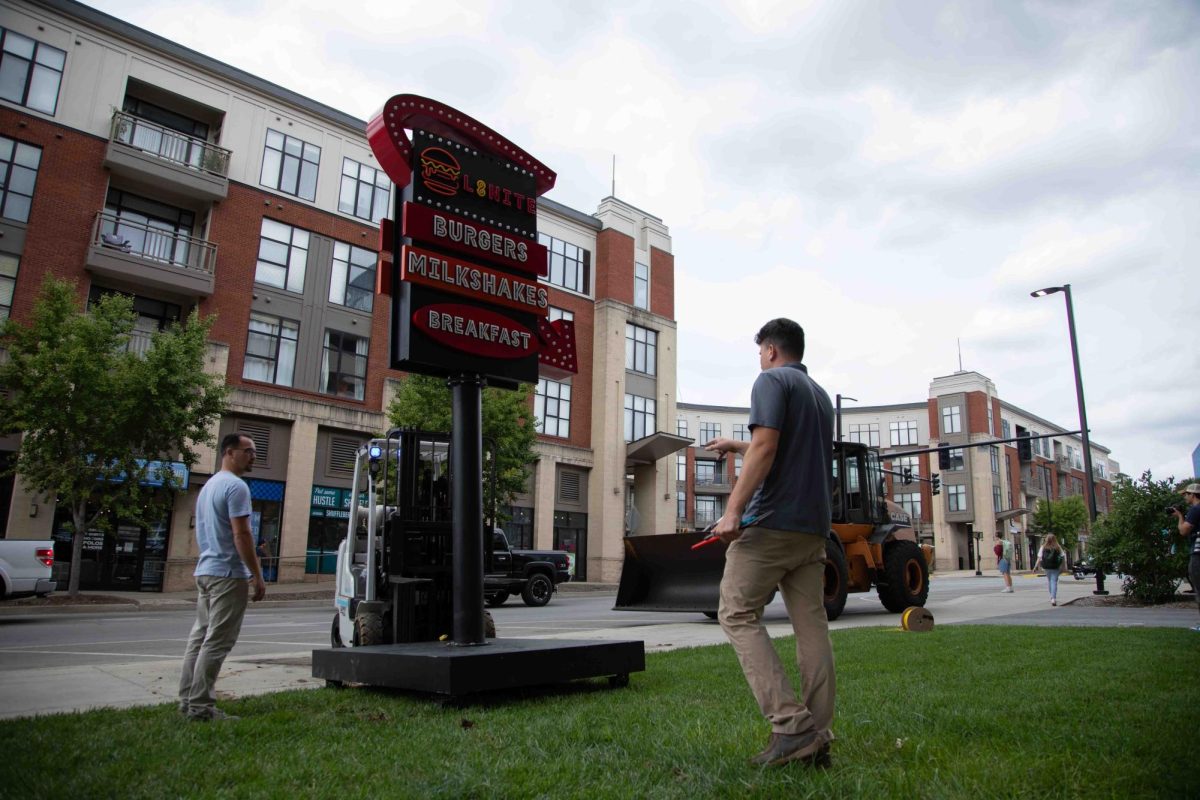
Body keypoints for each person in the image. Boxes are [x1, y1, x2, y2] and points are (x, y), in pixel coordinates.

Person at [704, 318, 835, 769]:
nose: (760, 358)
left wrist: (733, 511)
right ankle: (817, 734)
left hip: (771, 523)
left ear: (773, 350)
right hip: (813, 529)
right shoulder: (818, 396)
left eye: (761, 350)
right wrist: (738, 444)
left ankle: (790, 726)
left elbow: (768, 446)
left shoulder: (769, 380)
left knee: (736, 612)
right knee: (811, 626)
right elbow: (783, 445)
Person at [178, 433, 266, 721]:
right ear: (229, 452)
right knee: (216, 641)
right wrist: (257, 574)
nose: (253, 455)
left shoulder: (210, 486)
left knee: (200, 638)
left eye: (254, 451)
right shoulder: (236, 486)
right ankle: (201, 708)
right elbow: (241, 533)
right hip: (227, 573)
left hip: (206, 571)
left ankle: (187, 701)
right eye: (248, 450)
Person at [1168, 482, 1200, 632]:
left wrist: (1180, 516)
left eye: (1186, 495)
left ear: (1193, 495)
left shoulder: (1195, 510)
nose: (1185, 498)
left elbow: (1183, 530)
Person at [1033, 533, 1065, 606]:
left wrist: (1035, 567)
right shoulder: (1058, 547)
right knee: (1054, 581)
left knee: (1050, 581)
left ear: (1046, 539)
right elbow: (1063, 557)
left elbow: (1039, 558)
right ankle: (1053, 598)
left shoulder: (1043, 547)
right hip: (1055, 567)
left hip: (1046, 567)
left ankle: (1052, 597)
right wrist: (1063, 567)